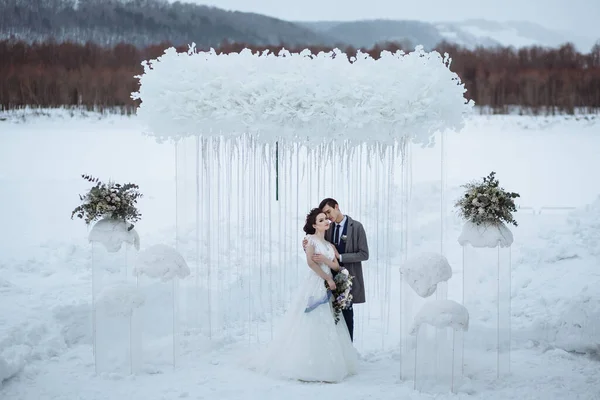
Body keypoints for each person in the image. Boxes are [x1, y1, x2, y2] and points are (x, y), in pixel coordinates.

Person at [248, 208, 357, 383]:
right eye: (321, 220)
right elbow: (310, 263)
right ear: (314, 225)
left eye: (325, 219)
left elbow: (336, 266)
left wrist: (327, 262)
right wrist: (327, 277)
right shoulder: (310, 240)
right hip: (316, 282)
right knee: (313, 319)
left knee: (330, 320)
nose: (325, 222)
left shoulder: (330, 246)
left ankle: (328, 362)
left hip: (330, 283)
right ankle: (307, 364)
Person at [304, 198, 369, 342]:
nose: (328, 218)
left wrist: (341, 257)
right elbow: (318, 244)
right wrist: (307, 245)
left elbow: (365, 254)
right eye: (325, 216)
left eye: (329, 212)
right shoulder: (328, 227)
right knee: (329, 316)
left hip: (347, 279)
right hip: (327, 279)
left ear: (337, 207)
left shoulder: (357, 227)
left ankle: (347, 351)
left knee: (347, 316)